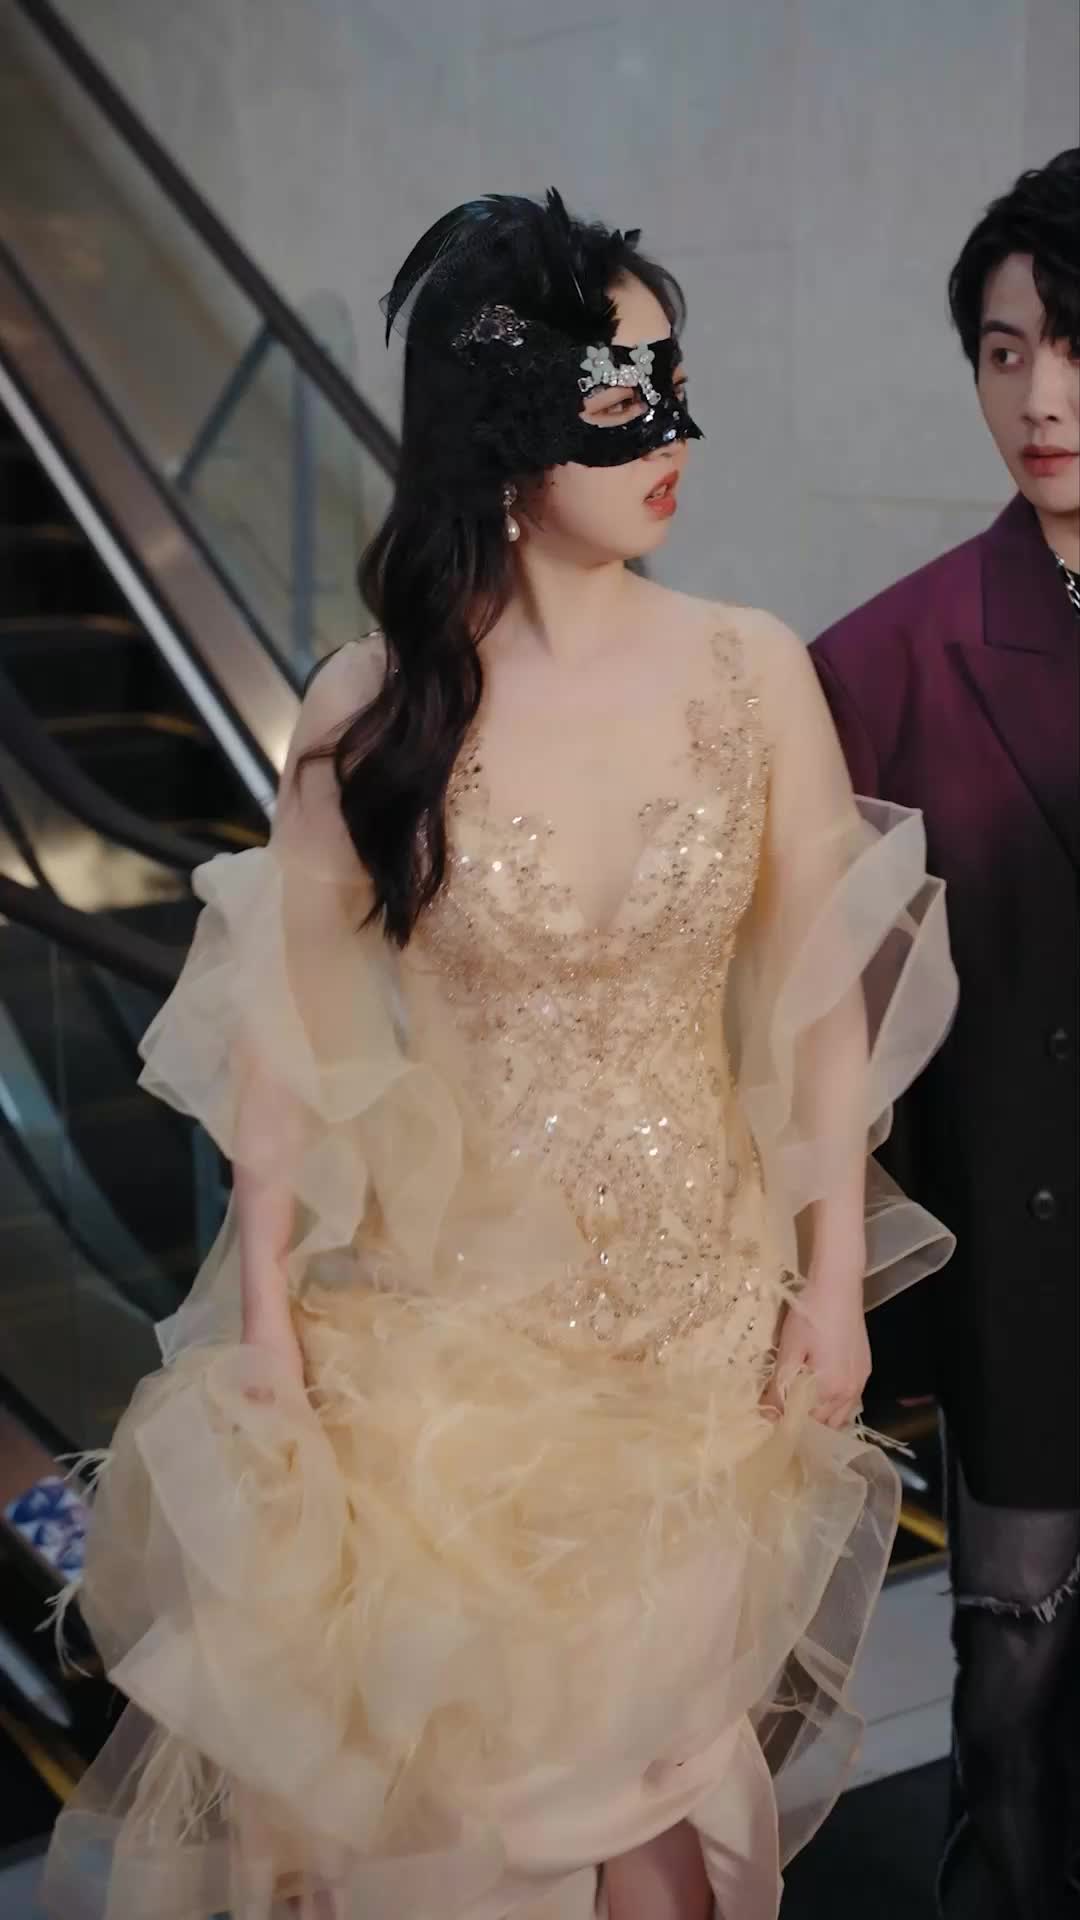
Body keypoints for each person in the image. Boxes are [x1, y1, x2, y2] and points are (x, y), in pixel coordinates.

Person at [43, 190, 955, 1920]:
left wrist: (833, 1286)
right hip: (448, 1352)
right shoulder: (373, 703)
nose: (674, 435)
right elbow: (285, 1034)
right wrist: (265, 1321)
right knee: (472, 1827)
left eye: (675, 382)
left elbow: (824, 1004)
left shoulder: (752, 670)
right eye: (627, 393)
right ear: (512, 429)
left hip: (702, 1352)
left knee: (667, 1803)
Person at [811, 149, 1079, 1920]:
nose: (1041, 396)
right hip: (1031, 1287)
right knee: (1019, 1687)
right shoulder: (883, 663)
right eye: (1003, 351)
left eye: (1075, 346)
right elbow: (816, 1024)